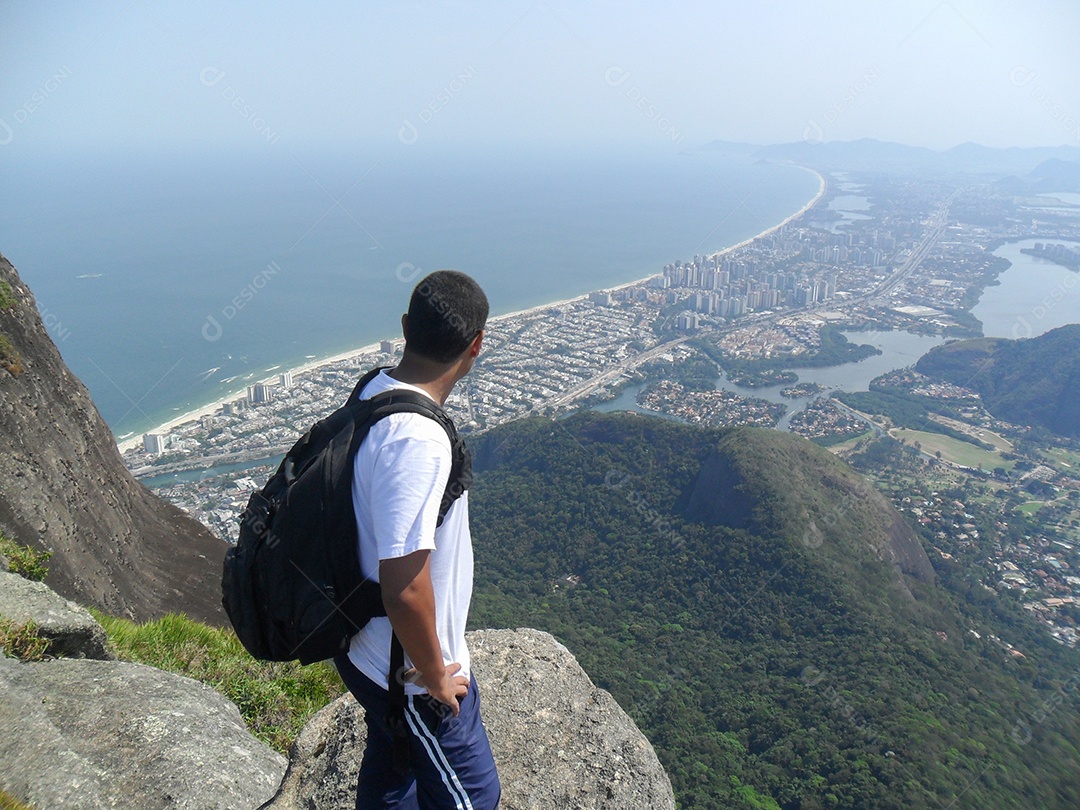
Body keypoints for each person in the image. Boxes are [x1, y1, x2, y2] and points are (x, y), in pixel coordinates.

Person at [334, 270, 501, 810]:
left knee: (394, 770)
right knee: (474, 796)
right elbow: (403, 588)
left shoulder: (374, 391)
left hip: (364, 651)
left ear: (405, 328)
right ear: (477, 344)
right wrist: (433, 677)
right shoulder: (419, 438)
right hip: (407, 673)